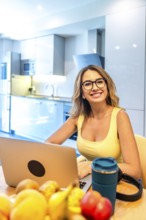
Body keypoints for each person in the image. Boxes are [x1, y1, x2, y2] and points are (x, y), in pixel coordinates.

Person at [45, 65, 141, 179]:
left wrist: (91, 165)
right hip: (89, 179)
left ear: (107, 86)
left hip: (114, 181)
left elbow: (134, 170)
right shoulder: (78, 117)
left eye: (99, 82)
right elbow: (48, 145)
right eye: (87, 84)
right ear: (82, 93)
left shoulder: (120, 116)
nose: (95, 88)